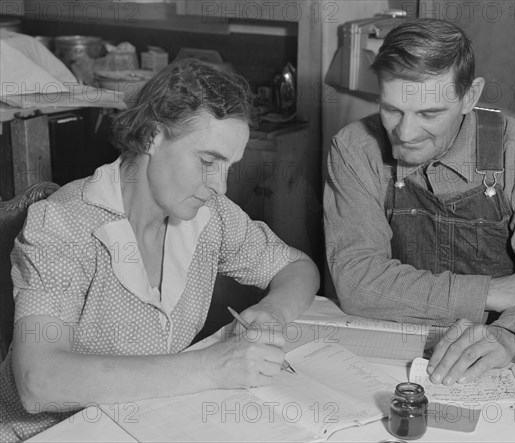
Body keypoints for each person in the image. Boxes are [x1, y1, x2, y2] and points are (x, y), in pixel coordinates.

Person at [0, 58, 319, 442]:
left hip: (142, 424)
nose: (221, 187)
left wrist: (272, 311)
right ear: (152, 135)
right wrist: (212, 367)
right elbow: (39, 381)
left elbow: (299, 269)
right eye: (207, 162)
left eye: (229, 167)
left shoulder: (210, 216)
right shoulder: (64, 224)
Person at [324, 19, 515, 387]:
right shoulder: (354, 150)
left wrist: (508, 339)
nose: (404, 135)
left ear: (470, 96)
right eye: (392, 110)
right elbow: (357, 282)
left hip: (497, 361)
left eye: (429, 113)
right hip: (388, 349)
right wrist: (493, 291)